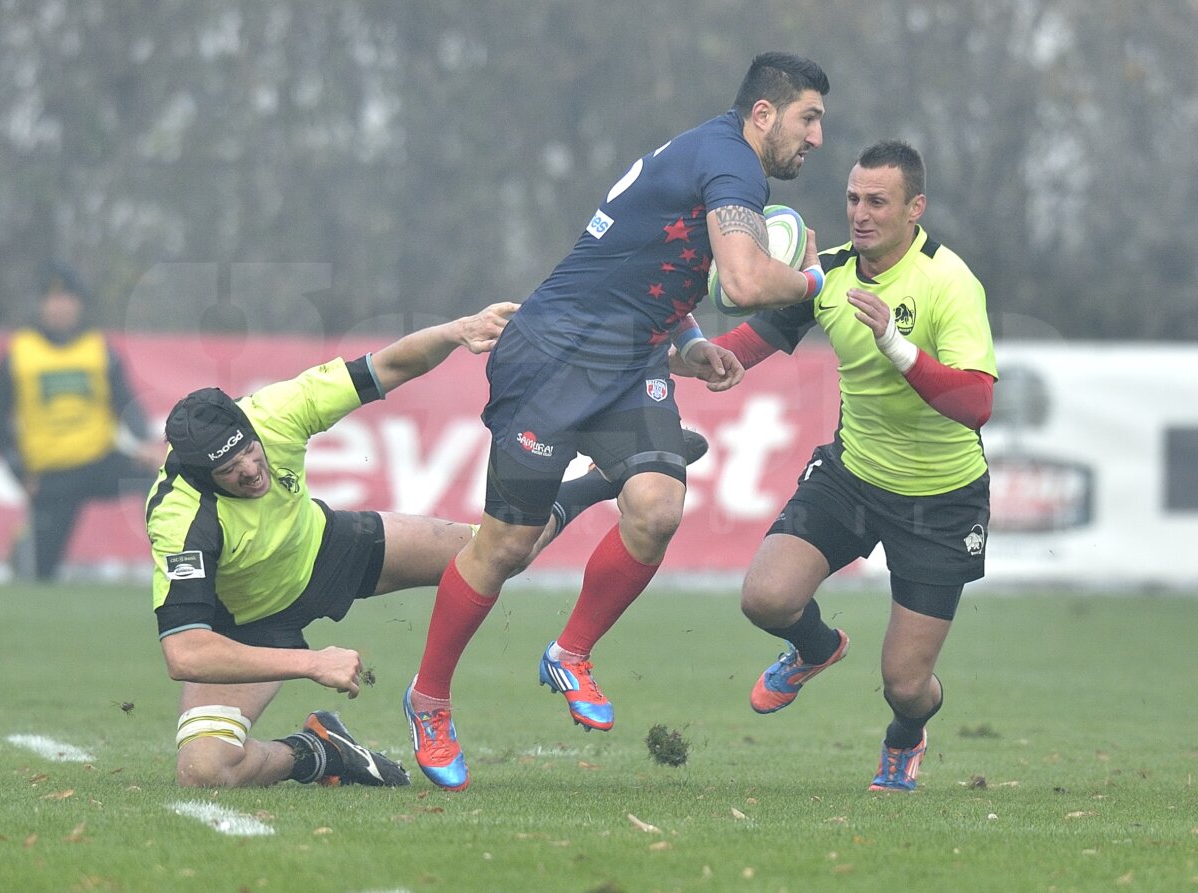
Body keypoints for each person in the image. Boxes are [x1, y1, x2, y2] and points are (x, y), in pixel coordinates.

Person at [403, 51, 831, 791]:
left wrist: (691, 345)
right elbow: (743, 280)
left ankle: (570, 652)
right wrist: (815, 280)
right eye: (809, 117)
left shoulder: (708, 152)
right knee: (504, 548)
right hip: (551, 358)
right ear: (765, 113)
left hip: (630, 361)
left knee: (659, 508)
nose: (817, 136)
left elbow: (653, 263)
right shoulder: (733, 164)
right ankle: (428, 699)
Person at [147, 302, 662, 789]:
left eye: (249, 452)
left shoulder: (273, 413)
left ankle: (594, 484)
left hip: (331, 549)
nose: (250, 470)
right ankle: (321, 752)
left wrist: (456, 332)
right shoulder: (180, 516)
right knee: (205, 771)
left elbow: (385, 367)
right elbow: (185, 652)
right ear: (198, 473)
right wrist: (310, 663)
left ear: (246, 425)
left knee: (505, 551)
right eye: (228, 470)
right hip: (250, 625)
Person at [702, 140, 997, 791]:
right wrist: (678, 354)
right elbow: (745, 347)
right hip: (853, 476)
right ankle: (815, 646)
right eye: (853, 198)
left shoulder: (949, 281)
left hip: (941, 499)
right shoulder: (828, 273)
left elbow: (977, 403)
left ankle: (905, 735)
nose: (860, 214)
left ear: (914, 208)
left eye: (878, 202)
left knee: (906, 683)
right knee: (766, 596)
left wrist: (897, 345)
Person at [0, 261, 160, 581]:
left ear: (79, 305)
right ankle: (24, 551)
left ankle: (177, 562)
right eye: (52, 299)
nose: (59, 307)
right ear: (41, 304)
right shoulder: (20, 353)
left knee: (161, 475)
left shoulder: (98, 349)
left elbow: (126, 405)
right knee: (40, 574)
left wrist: (147, 446)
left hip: (98, 460)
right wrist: (19, 471)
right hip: (50, 473)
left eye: (67, 300)